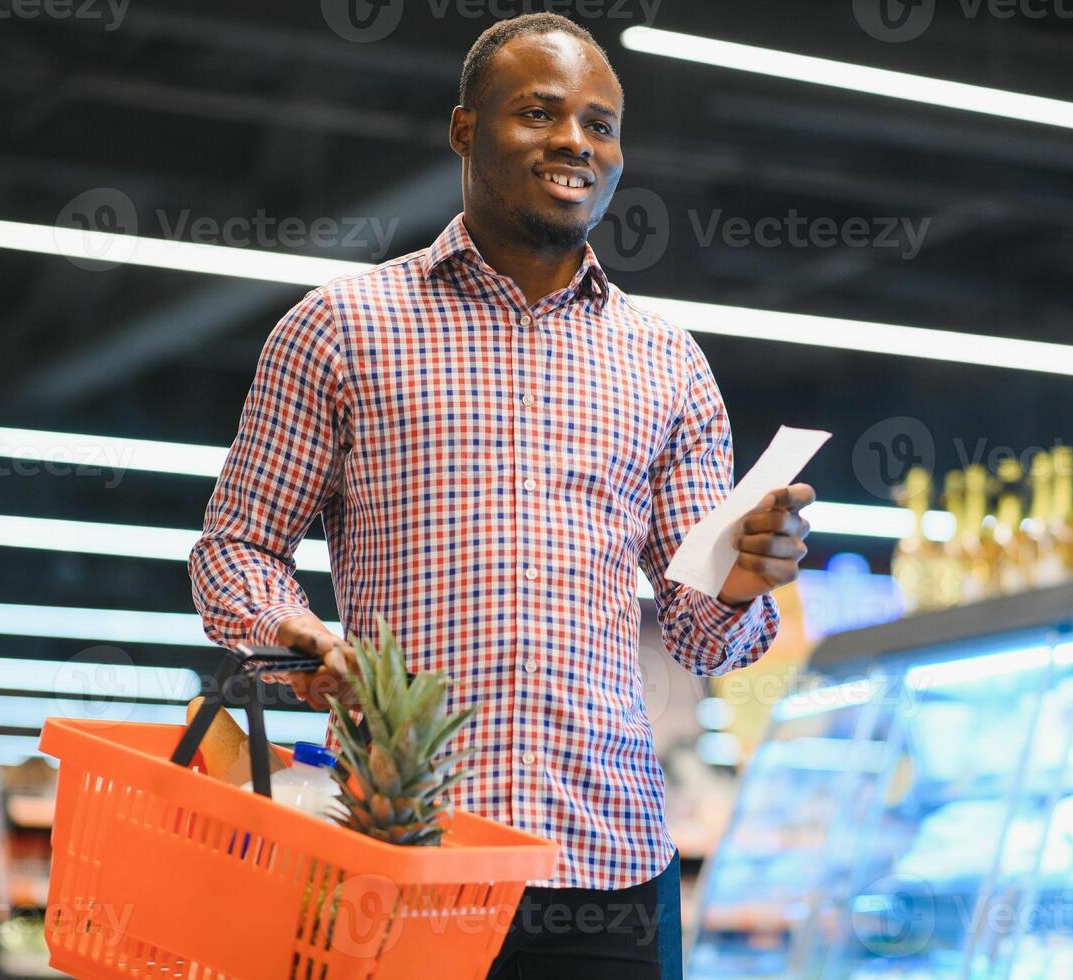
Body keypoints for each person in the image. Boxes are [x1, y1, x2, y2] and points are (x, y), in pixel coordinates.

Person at [187, 12, 814, 977]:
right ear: (464, 130)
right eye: (540, 112)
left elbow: (697, 633)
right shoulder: (340, 329)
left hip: (609, 863)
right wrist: (301, 635)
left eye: (601, 125)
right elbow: (235, 549)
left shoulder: (669, 365)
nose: (575, 141)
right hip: (400, 856)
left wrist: (741, 583)